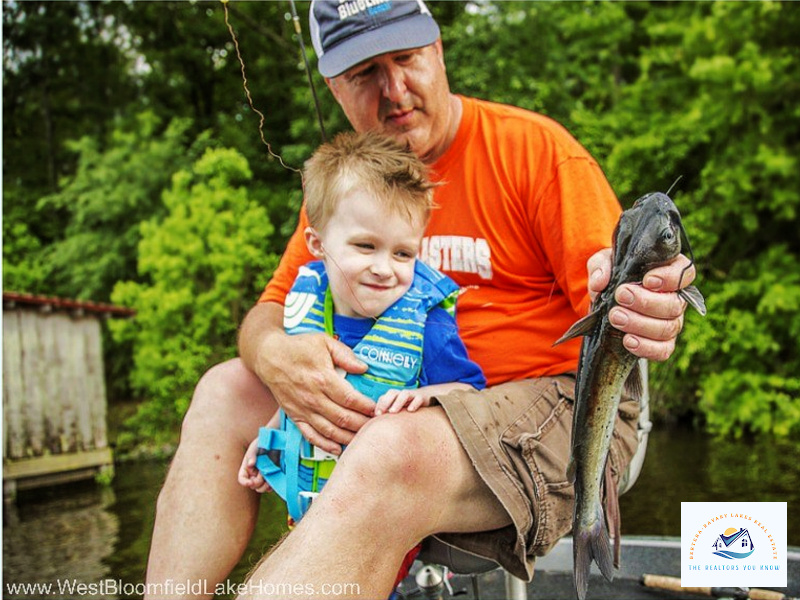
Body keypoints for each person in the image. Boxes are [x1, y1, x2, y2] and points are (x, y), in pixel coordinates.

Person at [143, 1, 695, 598]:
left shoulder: (536, 151)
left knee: (389, 449)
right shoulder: (351, 186)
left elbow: (617, 279)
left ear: (437, 50)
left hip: (561, 407)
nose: (395, 89)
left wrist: (651, 301)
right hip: (388, 399)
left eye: (406, 58)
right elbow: (269, 310)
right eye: (364, 73)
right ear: (333, 87)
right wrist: (274, 354)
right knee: (224, 390)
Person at [237, 131, 486, 513]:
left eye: (403, 253)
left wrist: (426, 396)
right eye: (365, 246)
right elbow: (297, 400)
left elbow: (470, 392)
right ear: (317, 245)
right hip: (313, 505)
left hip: (384, 516)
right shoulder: (307, 308)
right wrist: (270, 439)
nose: (384, 268)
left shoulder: (428, 325)